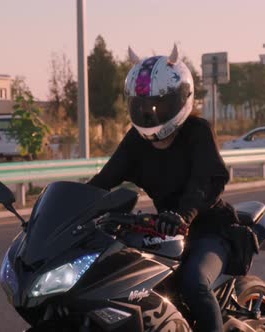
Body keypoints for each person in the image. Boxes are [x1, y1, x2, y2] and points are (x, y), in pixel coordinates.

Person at [87, 48, 238, 332]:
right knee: (130, 286)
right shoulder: (136, 141)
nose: (149, 112)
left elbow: (205, 181)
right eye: (141, 104)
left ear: (181, 99)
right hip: (164, 231)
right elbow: (104, 179)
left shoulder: (197, 131)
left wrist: (183, 215)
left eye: (159, 104)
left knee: (194, 284)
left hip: (209, 230)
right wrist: (69, 205)